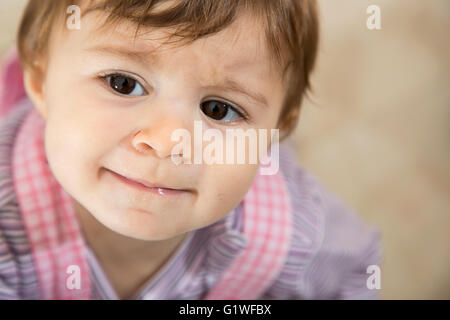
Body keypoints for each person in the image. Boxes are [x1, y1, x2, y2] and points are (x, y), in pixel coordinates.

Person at [0, 0, 383, 300]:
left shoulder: (293, 232)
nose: (169, 142)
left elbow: (357, 272)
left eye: (219, 109)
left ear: (274, 133)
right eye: (122, 83)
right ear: (39, 77)